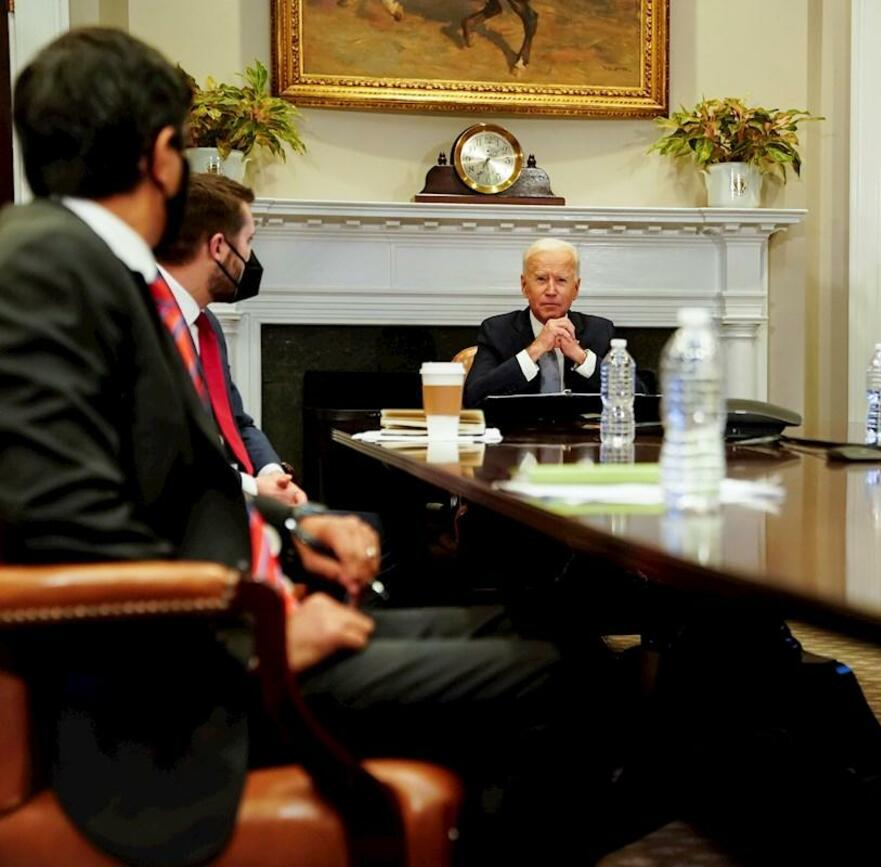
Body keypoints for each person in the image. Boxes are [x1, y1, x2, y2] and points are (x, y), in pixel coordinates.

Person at [0, 29, 622, 866]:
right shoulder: (45, 269)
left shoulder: (89, 268)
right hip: (179, 696)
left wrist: (287, 523)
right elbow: (59, 521)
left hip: (218, 628)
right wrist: (265, 633)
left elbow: (152, 481)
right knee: (575, 680)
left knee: (539, 625)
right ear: (159, 156)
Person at [155, 173, 305, 506]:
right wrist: (252, 489)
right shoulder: (146, 323)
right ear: (219, 247)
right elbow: (165, 453)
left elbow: (236, 421)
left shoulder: (206, 326)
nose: (251, 259)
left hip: (234, 497)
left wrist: (270, 475)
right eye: (248, 241)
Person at [464, 238, 614, 407]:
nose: (551, 291)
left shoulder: (600, 331)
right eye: (541, 279)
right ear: (524, 285)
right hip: (517, 432)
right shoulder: (497, 331)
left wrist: (581, 357)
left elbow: (639, 394)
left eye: (561, 280)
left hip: (580, 433)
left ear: (576, 288)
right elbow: (473, 398)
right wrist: (536, 349)